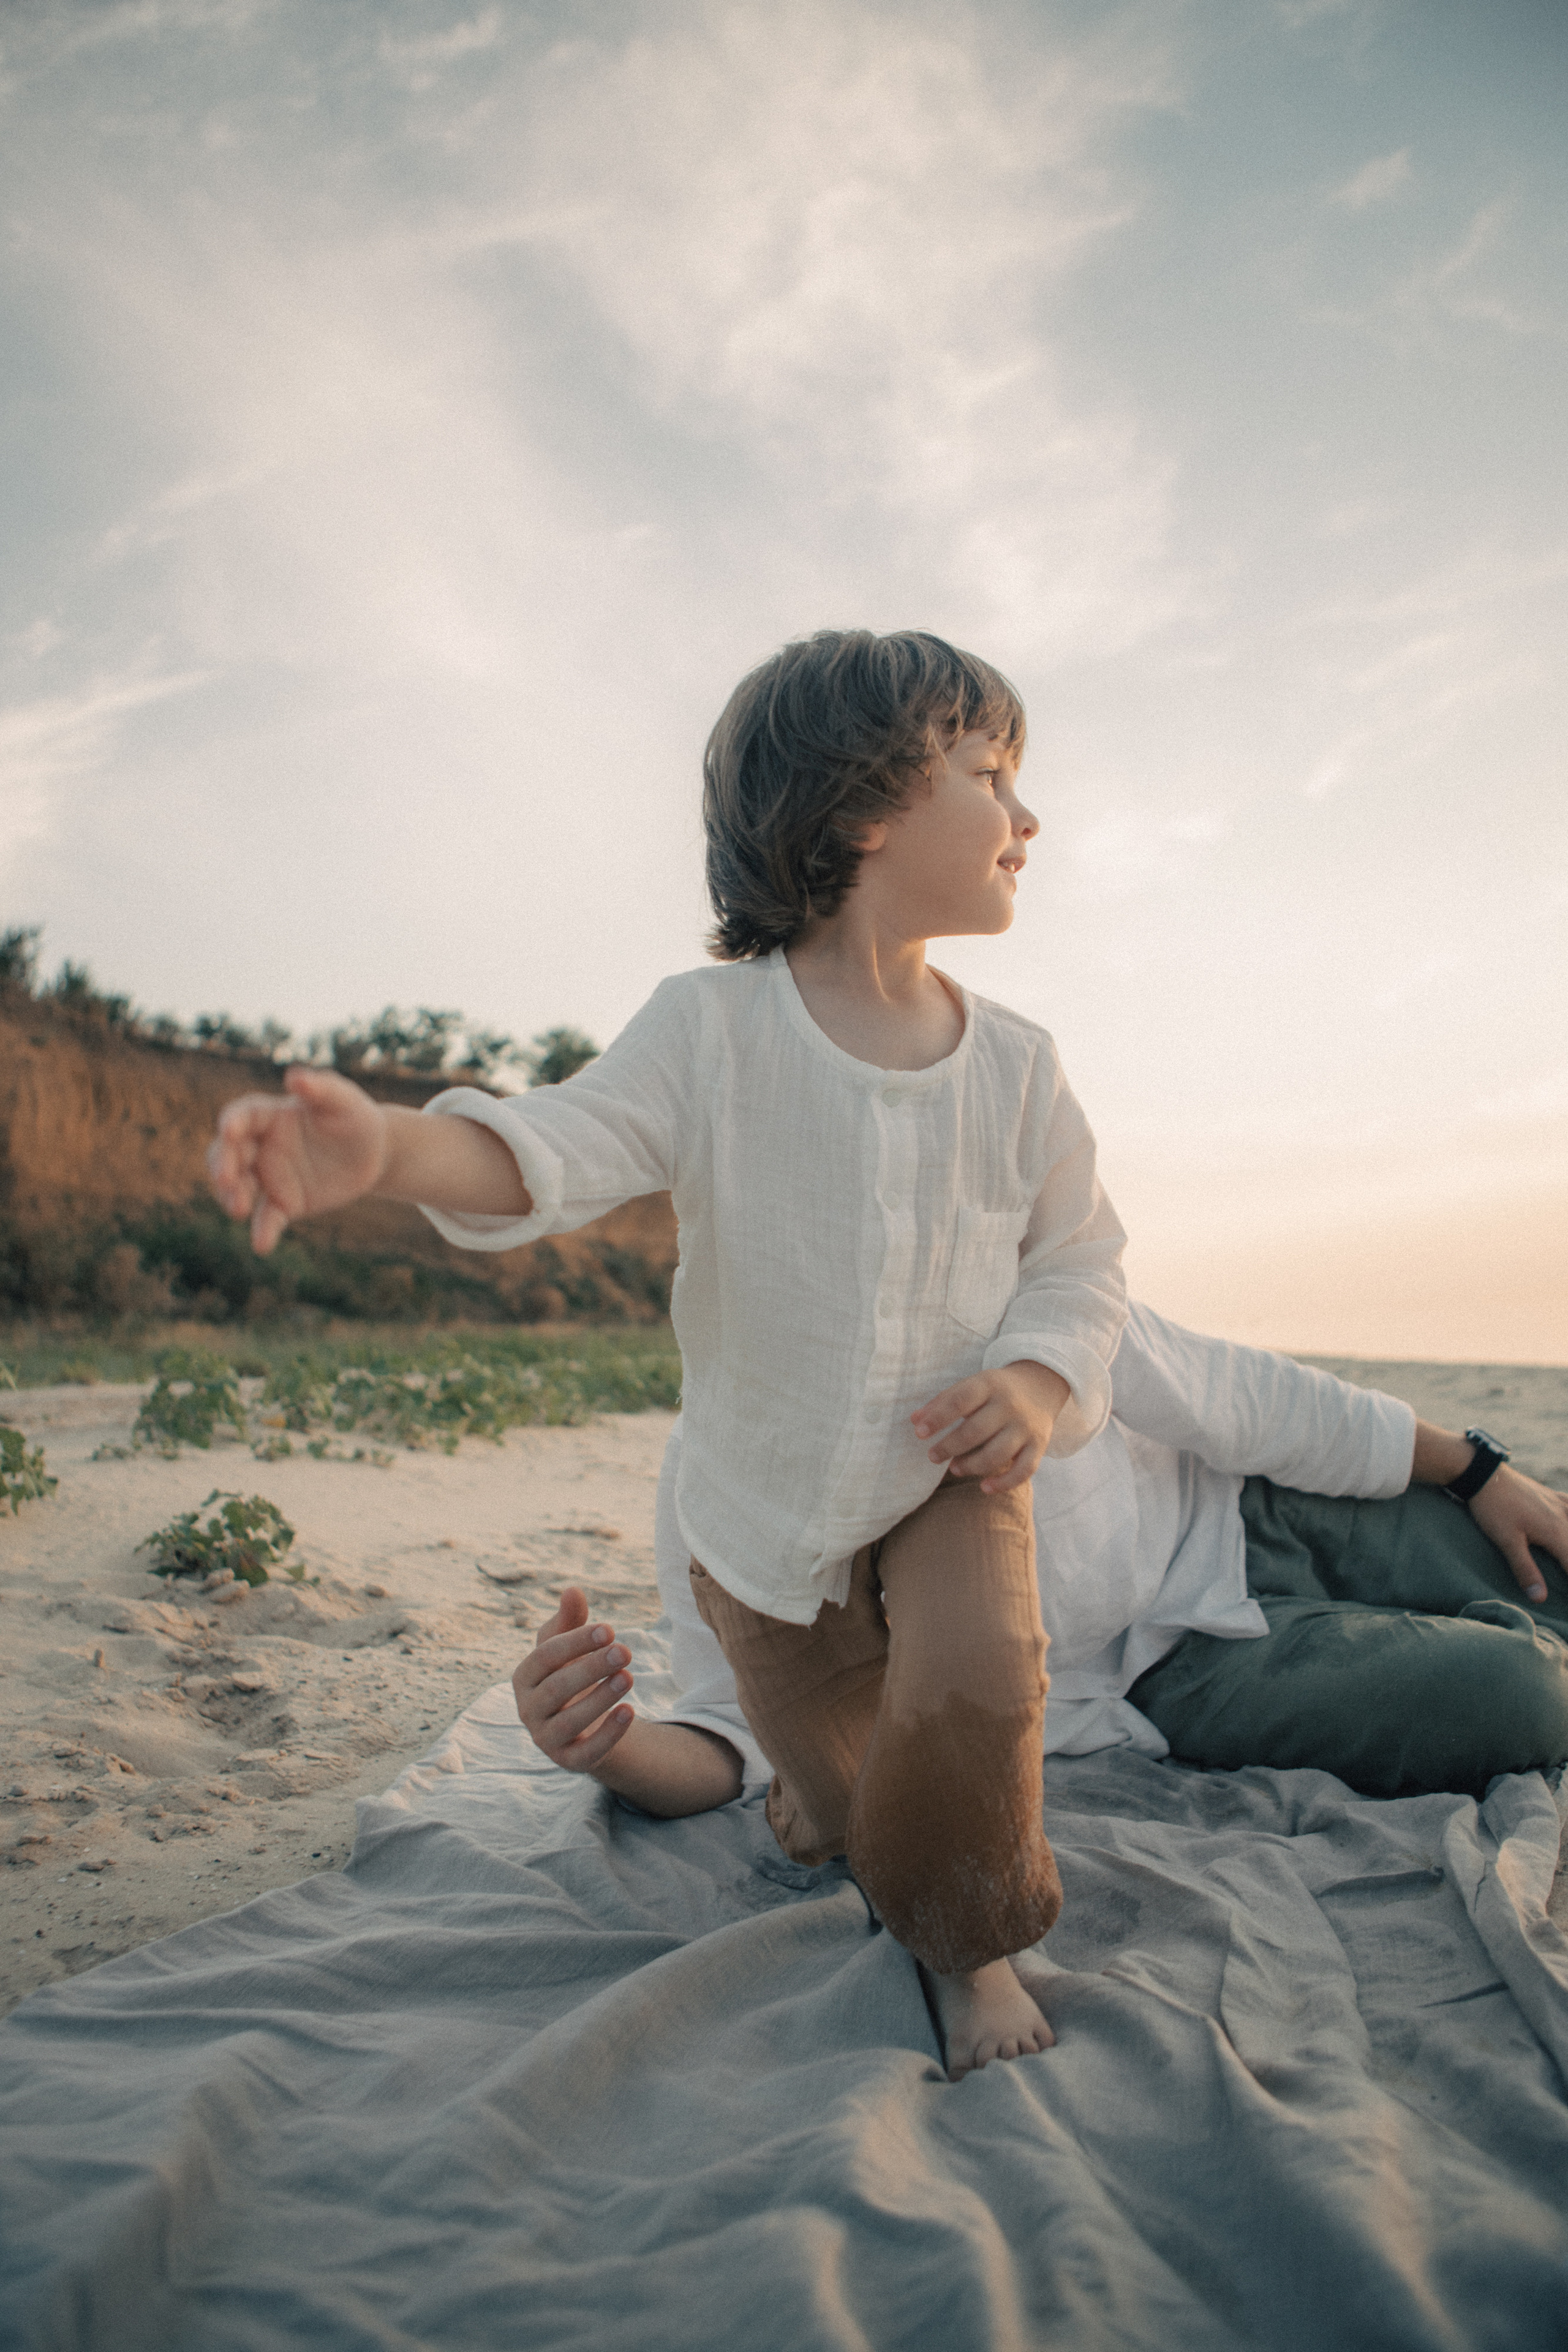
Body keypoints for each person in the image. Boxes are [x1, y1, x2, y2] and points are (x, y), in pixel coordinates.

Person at [208, 629, 1129, 2078]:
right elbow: (553, 1153)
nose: (1029, 817)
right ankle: (837, 1814)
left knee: (983, 1676)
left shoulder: (1018, 1066)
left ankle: (973, 1947)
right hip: (756, 1531)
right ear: (863, 809)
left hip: (950, 1473)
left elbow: (1081, 1260)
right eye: (991, 774)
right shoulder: (712, 1031)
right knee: (846, 1804)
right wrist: (382, 1147)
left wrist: (1033, 1379)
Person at [516, 1300, 1568, 1842]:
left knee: (1546, 1561)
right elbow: (735, 1735)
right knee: (1523, 1699)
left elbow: (1247, 1397)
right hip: (1169, 1674)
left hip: (1257, 1506)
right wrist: (610, 1748)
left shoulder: (1010, 1282)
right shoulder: (719, 1476)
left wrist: (1479, 1469)